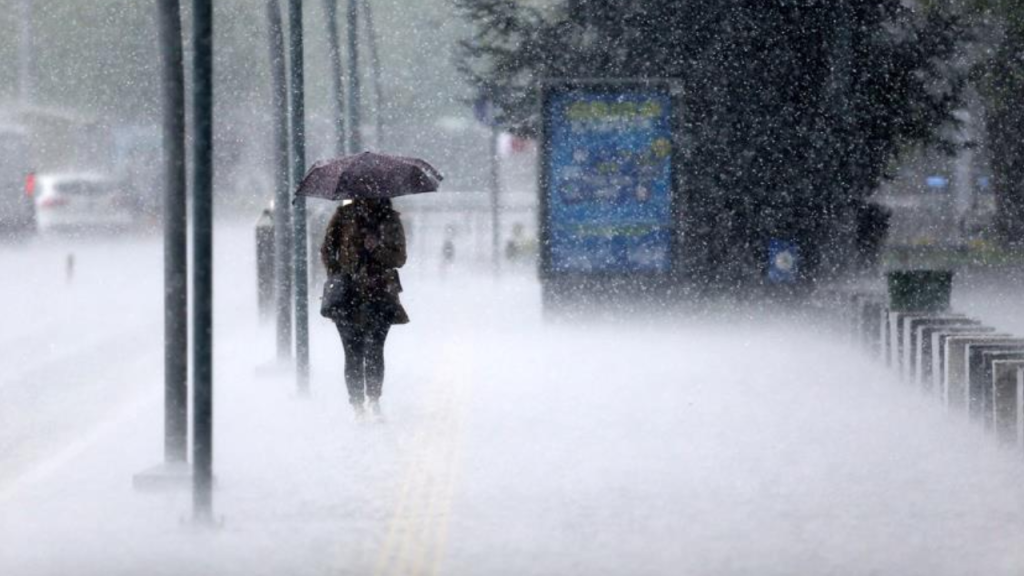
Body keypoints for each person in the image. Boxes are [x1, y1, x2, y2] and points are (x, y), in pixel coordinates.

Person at [321, 198, 409, 419]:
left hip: (379, 294)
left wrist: (377, 248)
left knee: (375, 349)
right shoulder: (343, 216)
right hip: (347, 296)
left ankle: (373, 399)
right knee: (352, 352)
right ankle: (357, 404)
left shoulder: (390, 219)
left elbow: (399, 258)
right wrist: (339, 273)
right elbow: (327, 250)